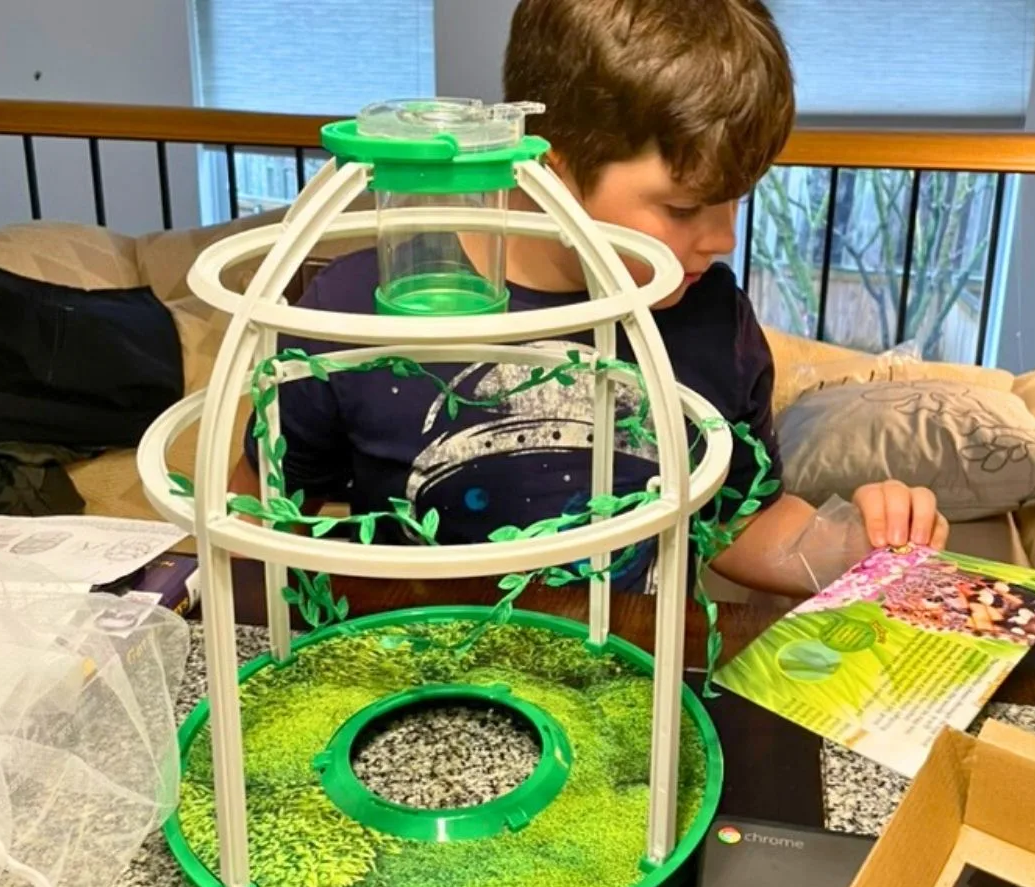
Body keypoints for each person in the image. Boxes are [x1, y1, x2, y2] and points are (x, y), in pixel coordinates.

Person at [229, 0, 949, 597]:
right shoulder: (350, 310)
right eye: (683, 207)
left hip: (623, 680)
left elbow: (736, 522)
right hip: (412, 677)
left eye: (735, 204)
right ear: (552, 168)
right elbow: (268, 510)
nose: (724, 239)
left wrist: (854, 546)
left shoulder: (712, 321)